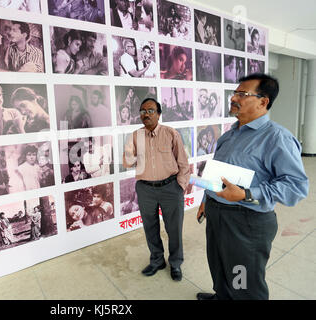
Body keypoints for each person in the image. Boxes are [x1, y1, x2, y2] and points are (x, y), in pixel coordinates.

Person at [196, 73, 309, 300]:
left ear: (263, 101)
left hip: (246, 221)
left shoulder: (277, 138)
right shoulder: (228, 136)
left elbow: (296, 186)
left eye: (242, 94)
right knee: (219, 265)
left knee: (243, 280)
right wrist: (206, 201)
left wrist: (246, 194)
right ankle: (222, 297)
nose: (233, 98)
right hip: (218, 214)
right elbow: (218, 173)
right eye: (234, 93)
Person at [123, 98, 190, 281]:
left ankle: (175, 263)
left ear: (159, 114)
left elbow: (183, 163)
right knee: (150, 228)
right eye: (143, 111)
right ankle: (157, 260)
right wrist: (132, 150)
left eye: (151, 110)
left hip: (170, 188)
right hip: (145, 189)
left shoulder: (170, 133)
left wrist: (180, 187)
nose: (146, 114)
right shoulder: (136, 136)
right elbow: (127, 162)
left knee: (174, 229)